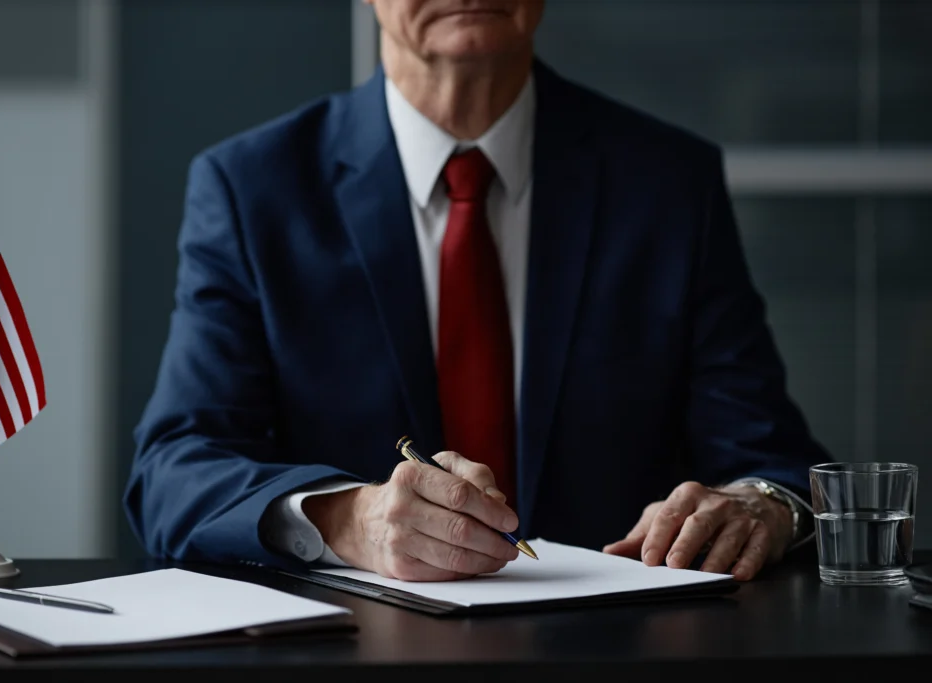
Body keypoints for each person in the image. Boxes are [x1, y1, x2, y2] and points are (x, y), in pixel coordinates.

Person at [124, 0, 829, 582]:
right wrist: (348, 517)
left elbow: (773, 460)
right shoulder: (254, 189)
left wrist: (762, 505)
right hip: (348, 651)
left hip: (616, 647)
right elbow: (174, 473)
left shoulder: (669, 185)